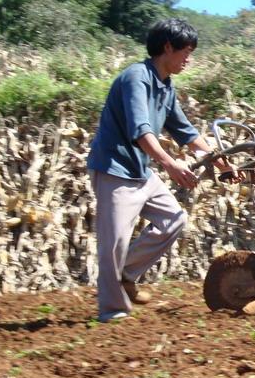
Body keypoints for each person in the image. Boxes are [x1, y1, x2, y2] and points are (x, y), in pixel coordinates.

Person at [87, 18, 237, 322]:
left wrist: (220, 161)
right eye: (186, 52)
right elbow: (141, 131)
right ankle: (112, 312)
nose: (189, 59)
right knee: (113, 243)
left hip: (140, 169)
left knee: (173, 219)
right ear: (167, 48)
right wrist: (170, 165)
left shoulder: (166, 87)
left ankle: (126, 274)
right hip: (115, 170)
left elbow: (186, 132)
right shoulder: (136, 78)